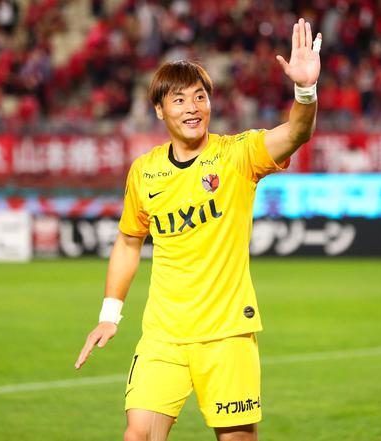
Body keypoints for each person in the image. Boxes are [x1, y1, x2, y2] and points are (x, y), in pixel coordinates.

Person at [74, 18, 322, 441]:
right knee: (138, 435)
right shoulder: (145, 172)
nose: (192, 107)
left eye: (200, 97)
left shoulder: (238, 155)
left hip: (227, 334)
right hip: (164, 335)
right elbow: (129, 242)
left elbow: (297, 131)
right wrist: (109, 316)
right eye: (179, 99)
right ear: (159, 110)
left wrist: (305, 90)